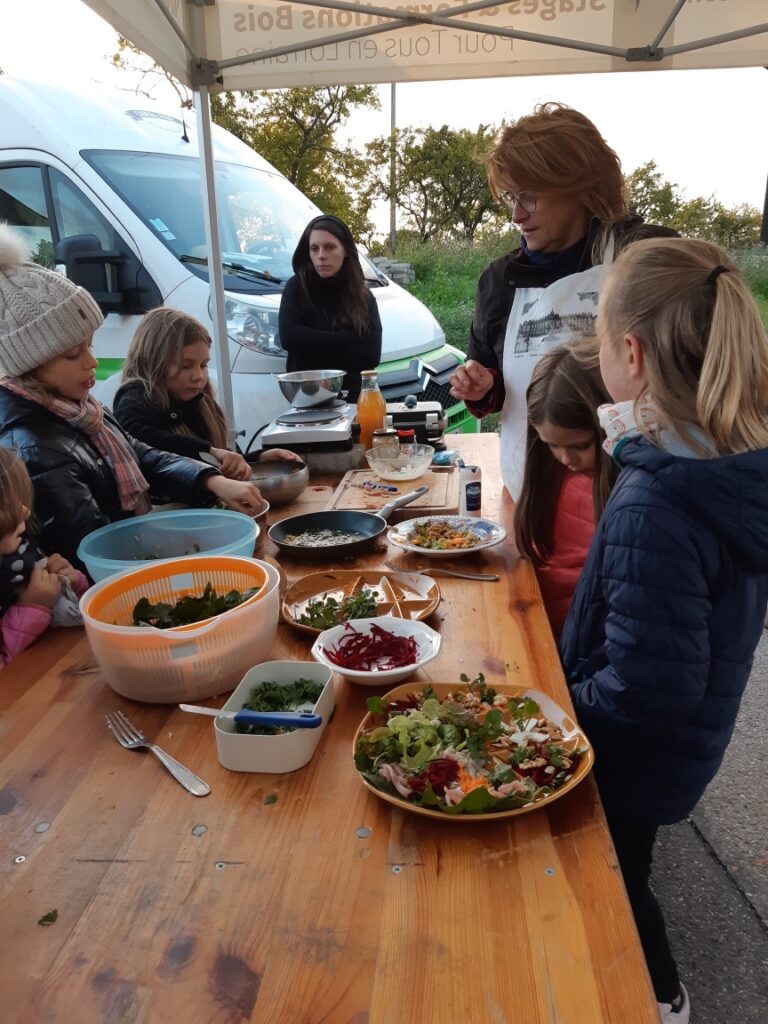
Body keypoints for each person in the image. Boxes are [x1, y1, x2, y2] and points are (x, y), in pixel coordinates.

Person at [560, 237, 768, 1024]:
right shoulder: (722, 462)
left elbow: (646, 691)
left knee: (618, 883)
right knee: (626, 867)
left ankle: (659, 1000)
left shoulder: (662, 501)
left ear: (633, 352)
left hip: (631, 757)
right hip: (677, 752)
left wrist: (557, 706)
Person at [0, 225, 265, 575]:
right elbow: (93, 549)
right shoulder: (35, 447)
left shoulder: (83, 411)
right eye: (72, 354)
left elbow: (141, 453)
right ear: (29, 364)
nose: (91, 361)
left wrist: (211, 480)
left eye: (90, 346)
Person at [449, 102, 673, 499]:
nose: (517, 215)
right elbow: (490, 377)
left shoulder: (644, 256)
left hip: (633, 494)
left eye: (530, 196)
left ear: (580, 187)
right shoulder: (499, 281)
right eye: (511, 197)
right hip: (530, 497)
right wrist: (480, 387)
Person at [113, 308, 302, 485]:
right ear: (154, 363)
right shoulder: (133, 400)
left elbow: (223, 461)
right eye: (186, 366)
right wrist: (210, 451)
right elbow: (144, 443)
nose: (199, 376)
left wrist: (257, 460)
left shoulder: (201, 401)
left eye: (203, 365)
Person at [513, 339, 616, 640]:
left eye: (580, 446)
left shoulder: (625, 492)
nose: (566, 458)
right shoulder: (547, 474)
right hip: (544, 633)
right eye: (551, 445)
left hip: (590, 646)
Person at [0, 446, 89, 667]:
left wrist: (71, 583)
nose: (25, 511)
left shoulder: (19, 552)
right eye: (6, 504)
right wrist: (31, 609)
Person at [278, 214, 382, 402]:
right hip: (307, 399)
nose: (321, 256)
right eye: (314, 248)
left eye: (329, 247)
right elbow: (289, 337)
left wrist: (310, 345)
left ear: (346, 250)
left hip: (355, 400)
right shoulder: (296, 288)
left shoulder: (362, 295)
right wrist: (348, 339)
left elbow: (371, 356)